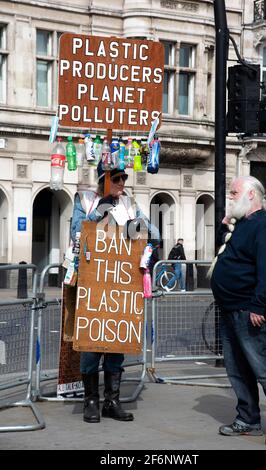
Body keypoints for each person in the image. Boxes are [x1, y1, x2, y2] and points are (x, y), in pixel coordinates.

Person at [210, 175, 266, 446]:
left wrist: (259, 305)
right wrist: (225, 227)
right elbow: (229, 256)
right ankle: (247, 419)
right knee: (237, 369)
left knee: (265, 369)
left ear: (251, 195)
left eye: (235, 193)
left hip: (249, 309)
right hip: (230, 308)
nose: (230, 197)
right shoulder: (242, 225)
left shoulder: (264, 225)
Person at [71, 163, 160, 424]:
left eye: (123, 178)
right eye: (116, 178)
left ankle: (112, 400)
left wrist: (135, 227)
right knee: (91, 343)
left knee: (116, 343)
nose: (122, 182)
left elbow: (153, 235)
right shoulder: (85, 200)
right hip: (93, 283)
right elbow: (77, 233)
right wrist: (101, 210)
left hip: (121, 285)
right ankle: (90, 400)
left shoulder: (130, 204)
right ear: (103, 180)